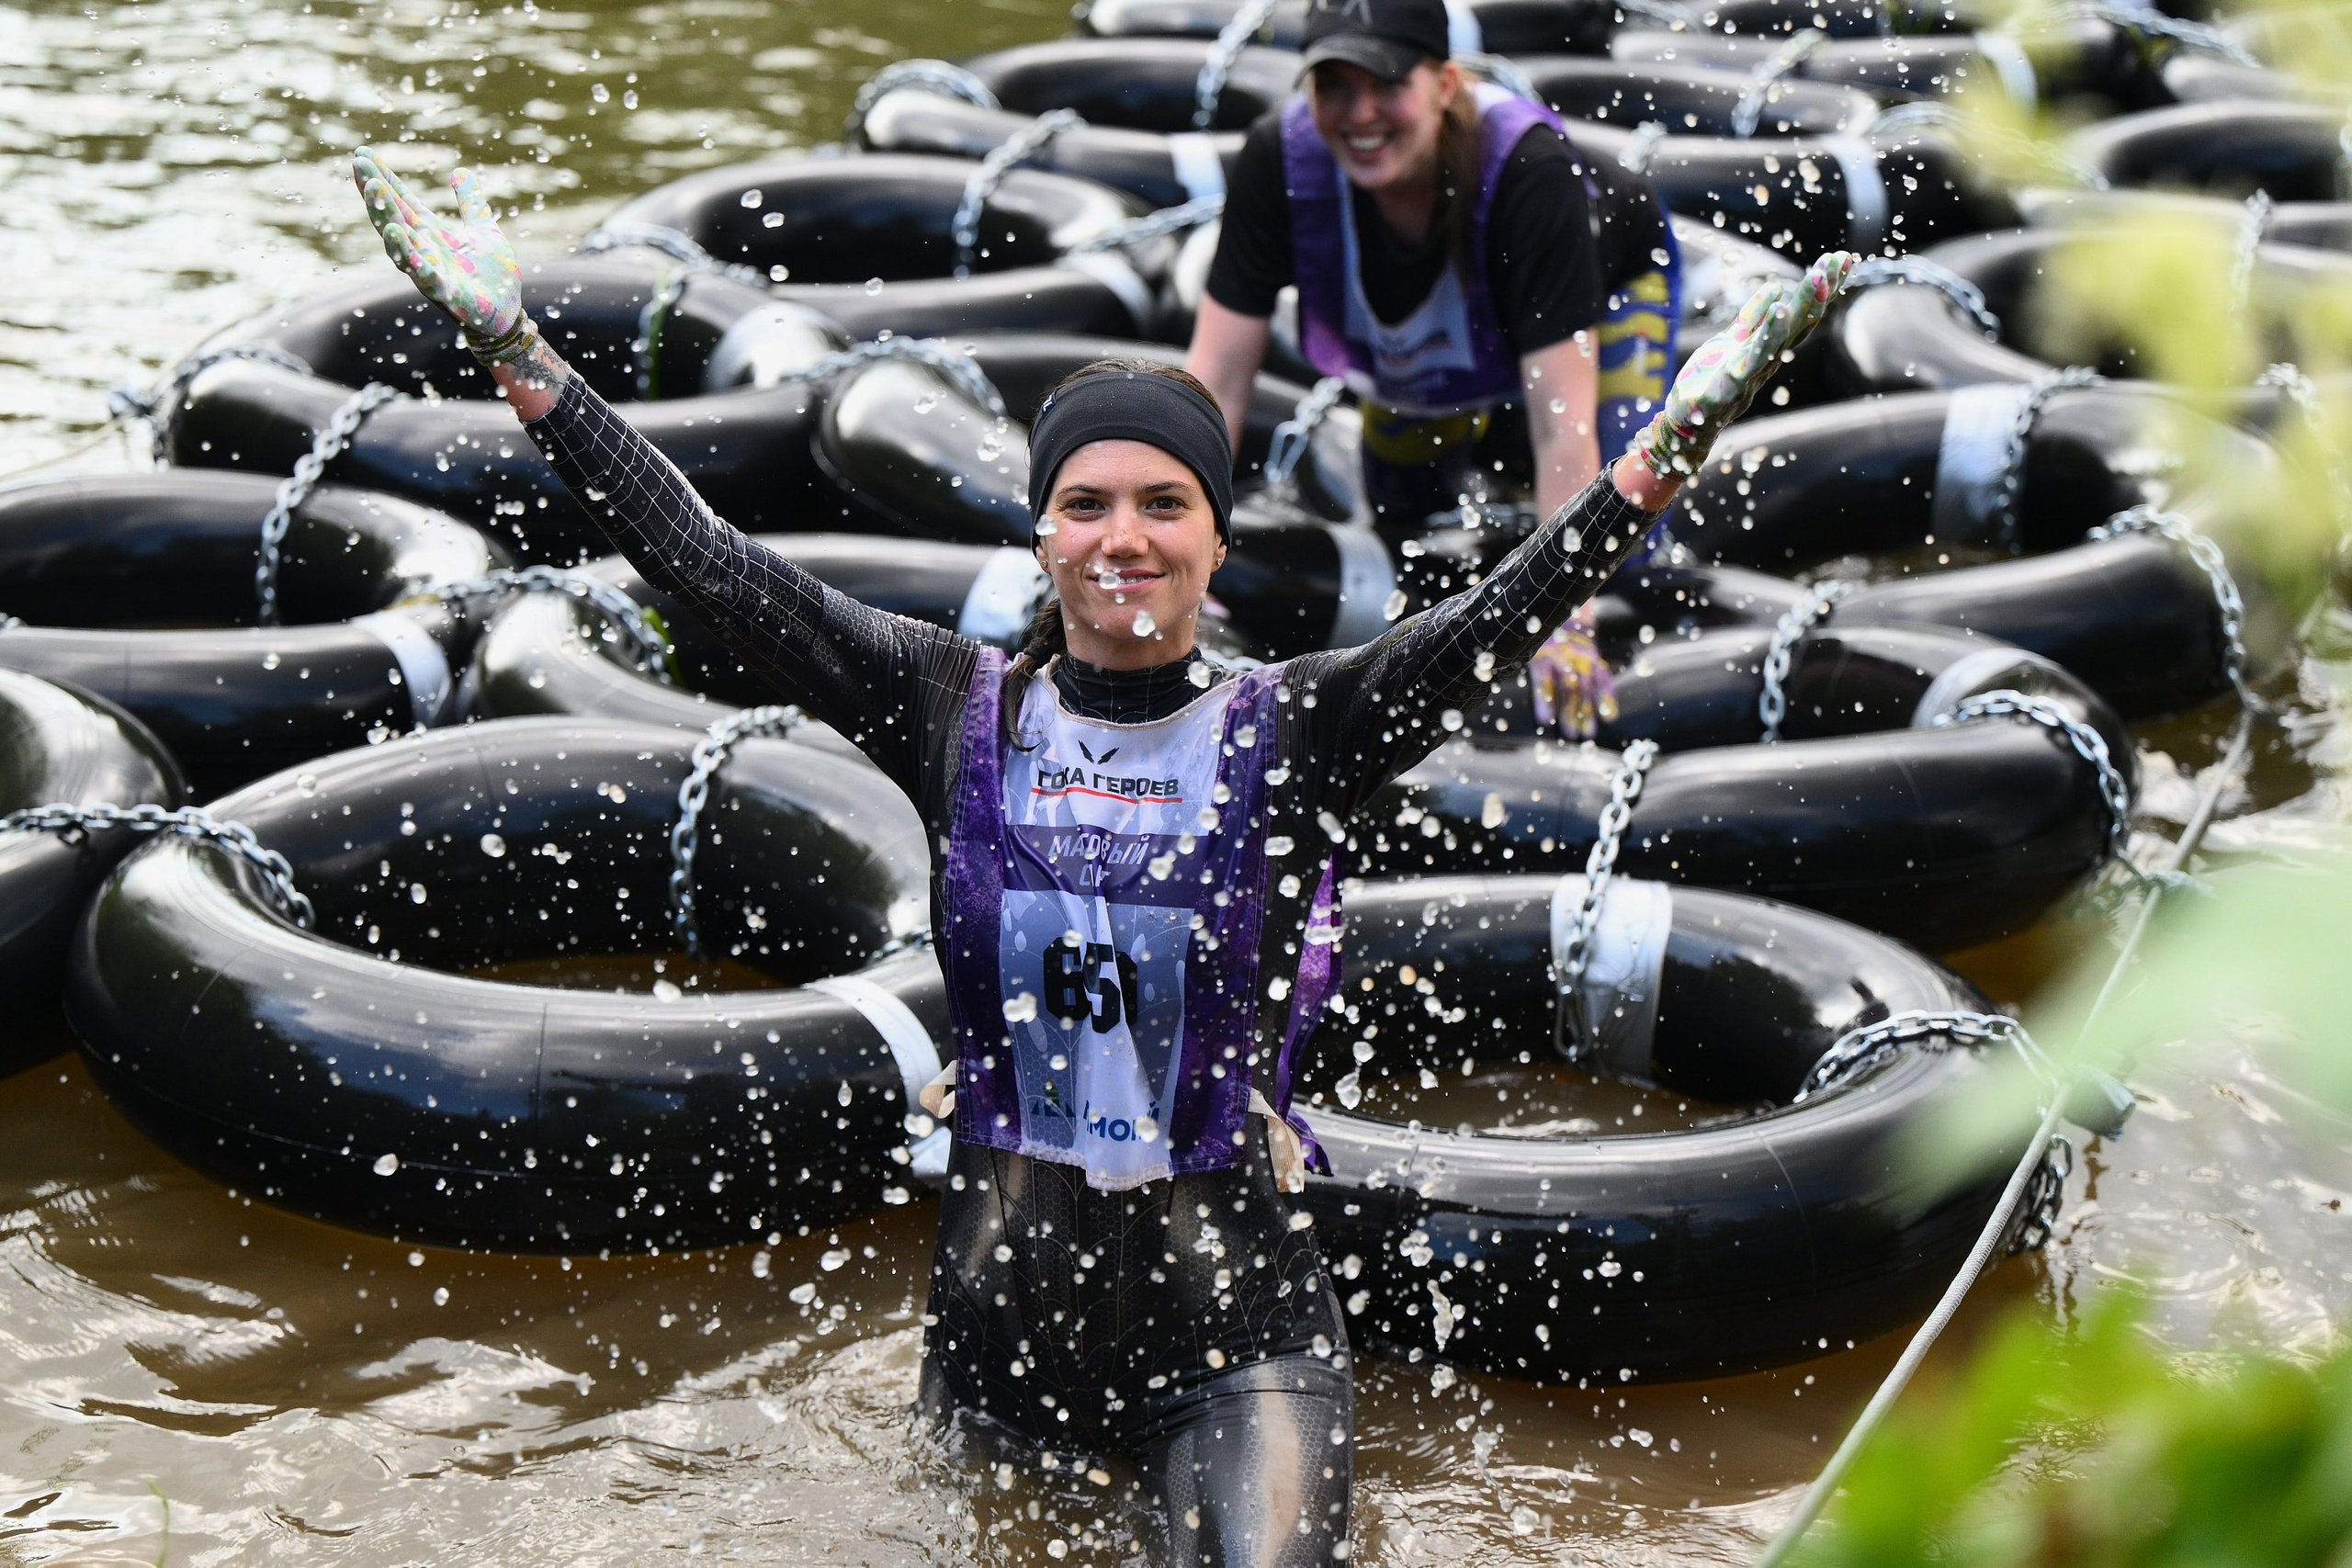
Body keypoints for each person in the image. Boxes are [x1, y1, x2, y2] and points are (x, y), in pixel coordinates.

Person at [350, 143, 1848, 1566]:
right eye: (1085, 503)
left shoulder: (1296, 726)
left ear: (1210, 537)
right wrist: (529, 367)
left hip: (1233, 1344)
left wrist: (1659, 457)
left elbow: (1497, 616)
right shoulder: (950, 704)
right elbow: (716, 569)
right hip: (998, 1335)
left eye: (1162, 503)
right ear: (1044, 533)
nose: (1121, 536)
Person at [1184, 0, 1683, 739]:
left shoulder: (1530, 172)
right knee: (1401, 511)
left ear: (1446, 82)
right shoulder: (1278, 162)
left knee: (1623, 539)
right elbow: (1215, 381)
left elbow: (1562, 430)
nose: (1360, 115)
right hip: (1439, 334)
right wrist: (1183, 552)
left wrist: (1564, 626)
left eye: (1384, 84)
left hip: (1605, 291)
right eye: (1335, 87)